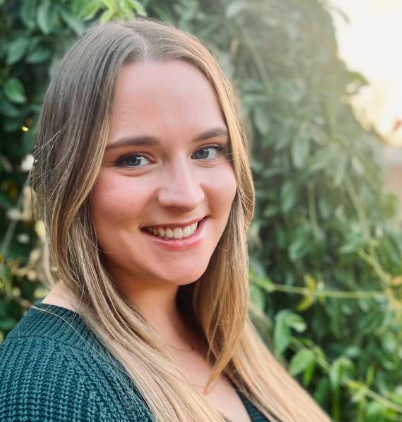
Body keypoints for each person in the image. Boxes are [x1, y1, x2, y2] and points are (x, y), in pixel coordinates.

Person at [0, 18, 331, 422]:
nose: (186, 195)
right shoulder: (48, 387)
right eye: (135, 159)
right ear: (70, 179)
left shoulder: (217, 336)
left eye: (207, 150)